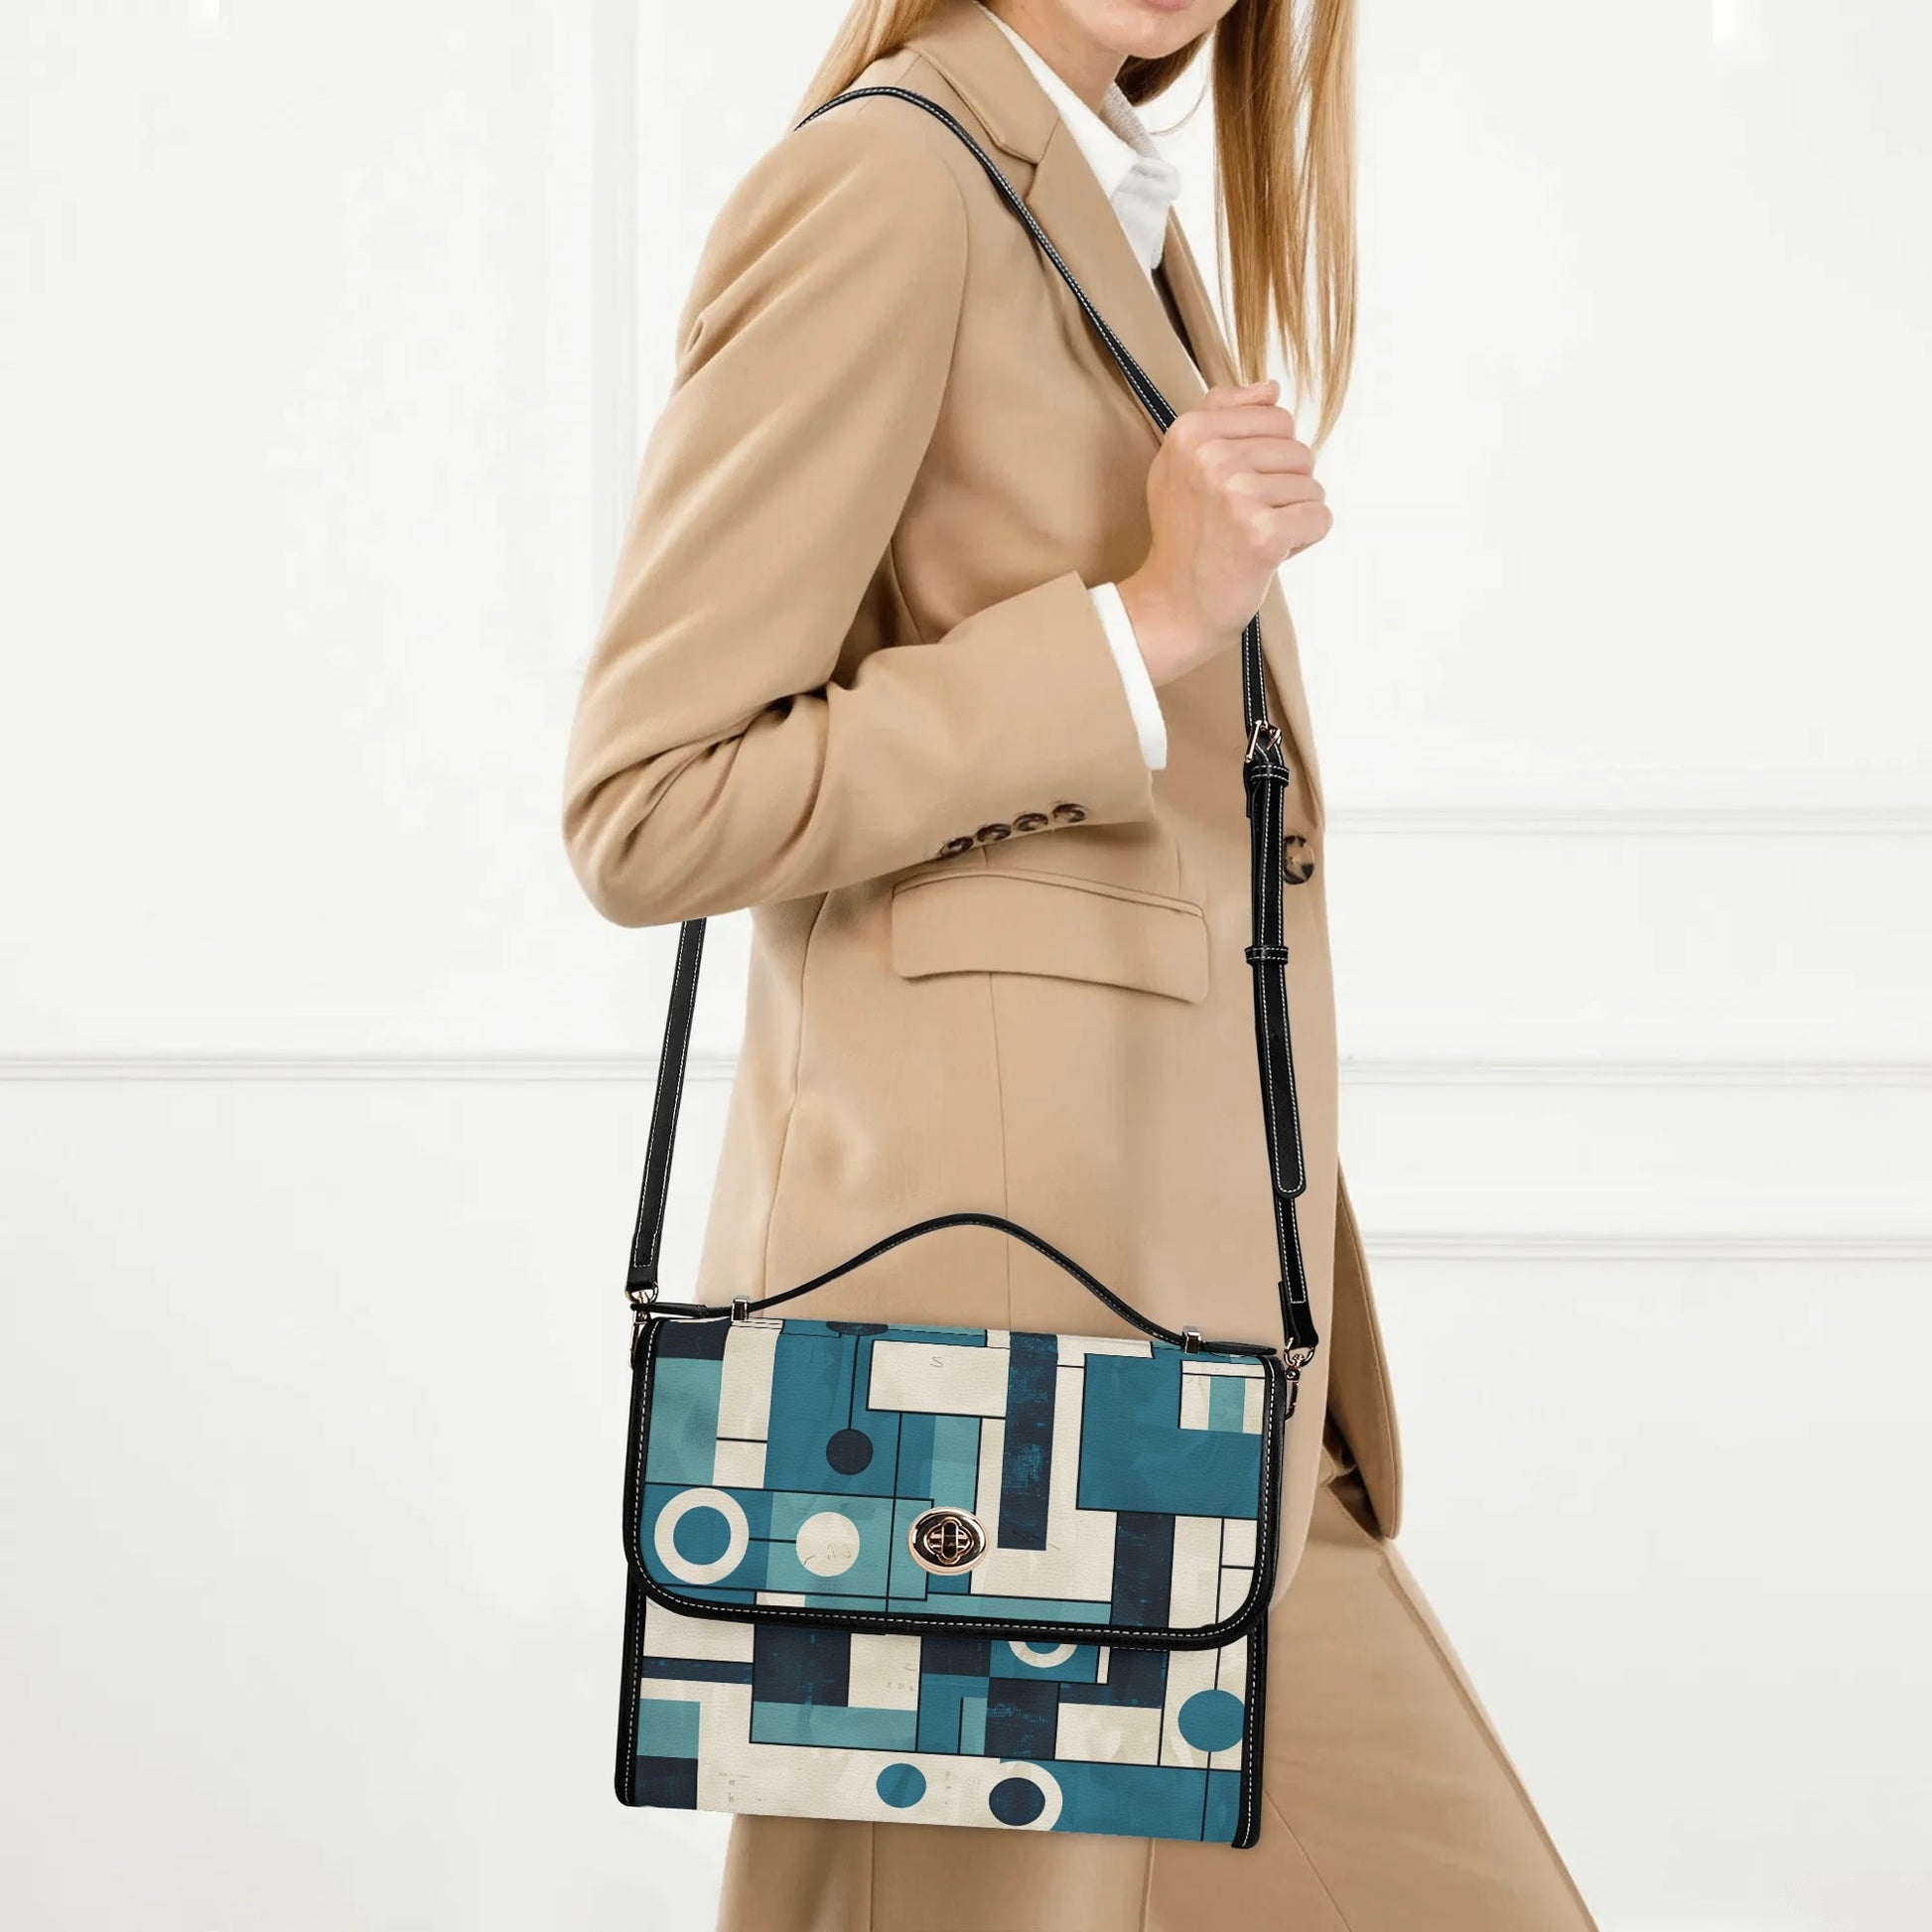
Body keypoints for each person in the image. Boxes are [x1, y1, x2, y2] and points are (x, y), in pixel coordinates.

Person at [561, 2, 1596, 1925]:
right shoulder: (890, 184)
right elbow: (649, 799)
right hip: (979, 1419)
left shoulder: (1103, 198)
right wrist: (1135, 627)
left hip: (1211, 1388)